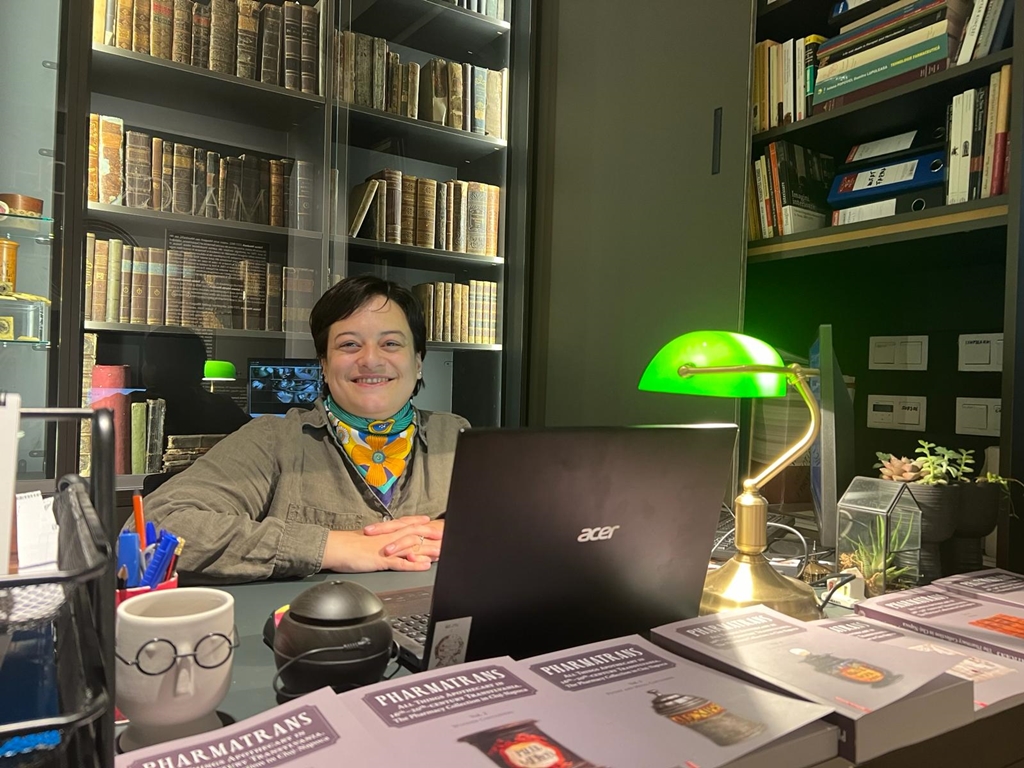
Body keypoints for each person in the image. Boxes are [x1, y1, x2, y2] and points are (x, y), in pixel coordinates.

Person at [133, 275, 469, 584]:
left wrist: (462, 534)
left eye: (391, 344)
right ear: (324, 364)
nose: (370, 359)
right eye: (349, 345)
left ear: (418, 361)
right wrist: (331, 546)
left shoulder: (456, 436)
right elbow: (152, 529)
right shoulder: (273, 440)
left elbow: (500, 527)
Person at [138, 328, 251, 438]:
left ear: (153, 368)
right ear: (201, 368)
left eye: (145, 362)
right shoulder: (226, 407)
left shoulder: (138, 406)